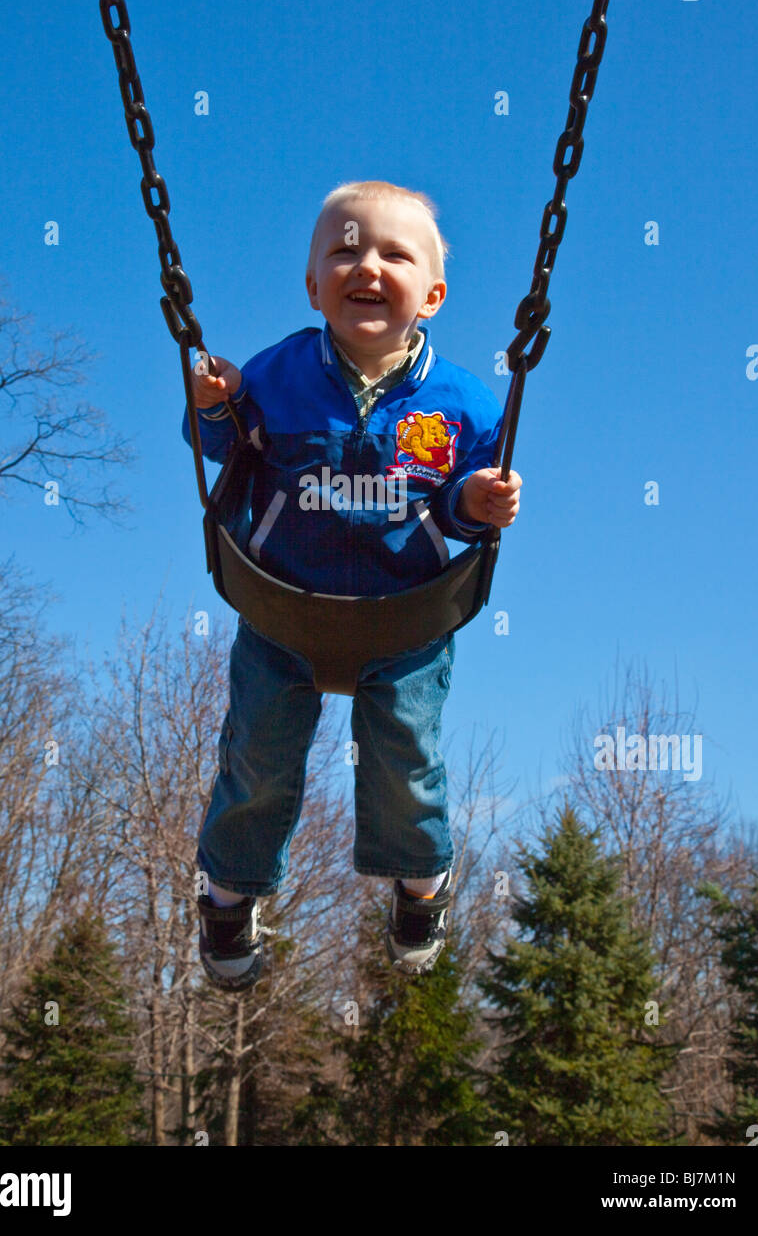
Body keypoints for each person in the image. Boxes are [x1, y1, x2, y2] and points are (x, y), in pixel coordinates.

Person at [183, 180, 522, 990]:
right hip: (282, 608)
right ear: (311, 286)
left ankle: (420, 887)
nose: (365, 265)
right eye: (343, 249)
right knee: (256, 760)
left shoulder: (467, 404)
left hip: (404, 621)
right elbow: (228, 448)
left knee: (408, 764)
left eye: (393, 254)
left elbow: (466, 506)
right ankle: (230, 895)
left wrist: (478, 502)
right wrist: (215, 405)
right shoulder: (277, 374)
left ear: (432, 295)